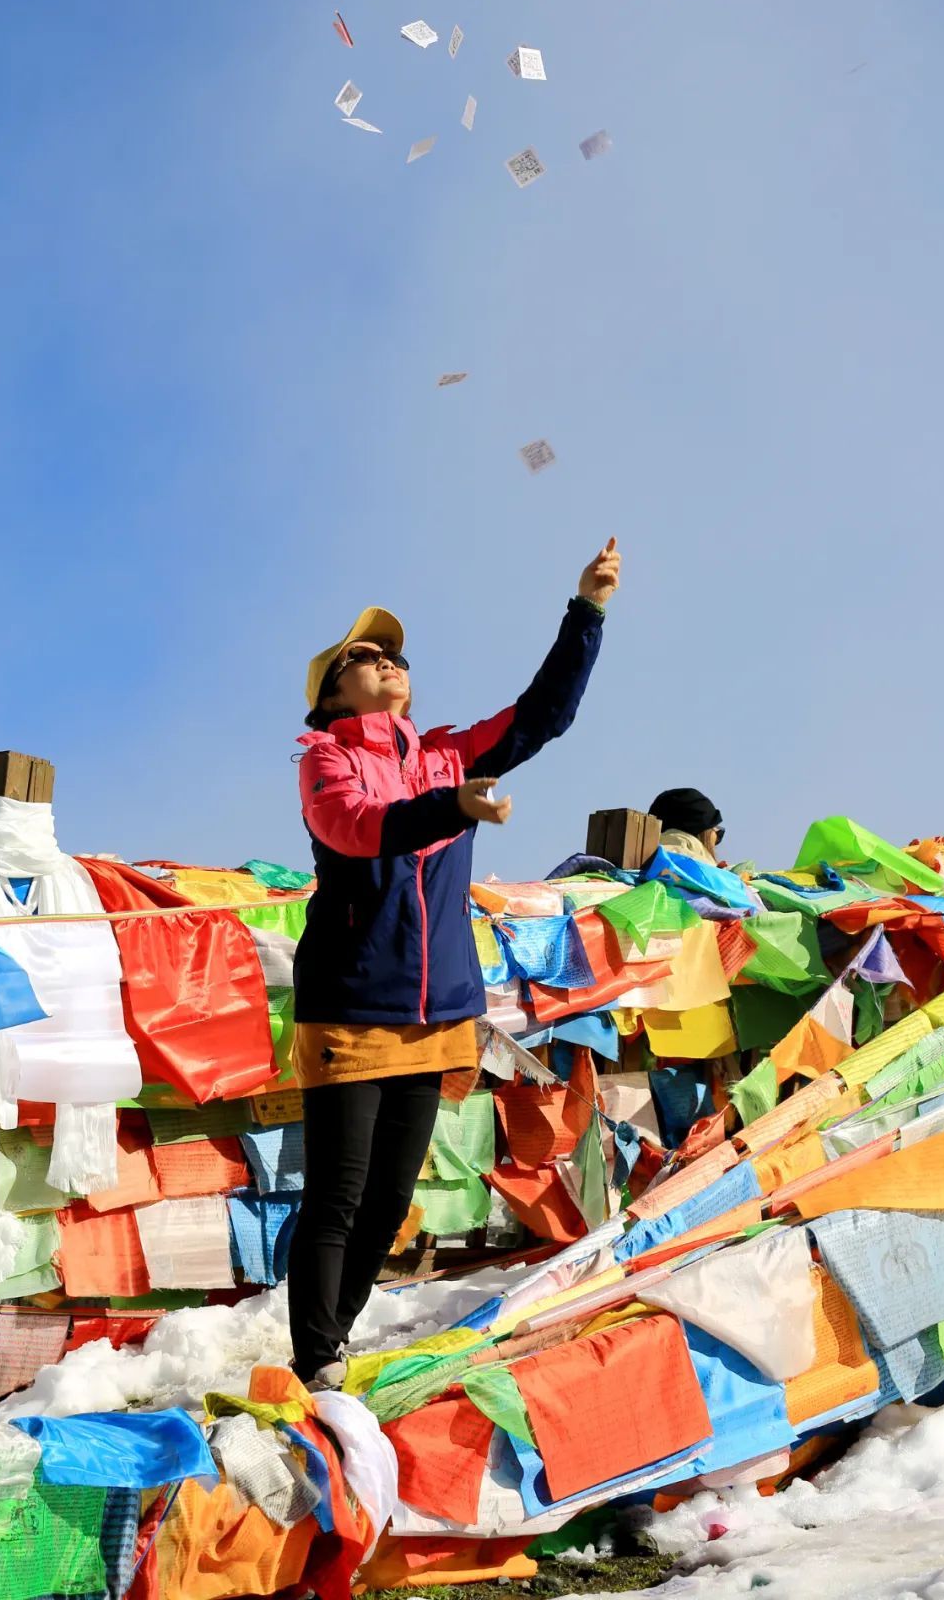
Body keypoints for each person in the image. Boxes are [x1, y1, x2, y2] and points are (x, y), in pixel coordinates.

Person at [286, 538, 621, 1389]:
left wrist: (587, 612)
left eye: (395, 654)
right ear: (330, 696)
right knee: (336, 1196)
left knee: (390, 1204)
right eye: (365, 656)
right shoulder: (325, 760)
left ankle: (333, 1340)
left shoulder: (446, 753)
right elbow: (358, 828)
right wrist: (450, 805)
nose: (388, 662)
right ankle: (316, 1360)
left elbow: (540, 716)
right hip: (354, 1002)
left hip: (440, 1014)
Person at [650, 786, 724, 863]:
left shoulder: (646, 859)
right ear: (702, 832)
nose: (715, 844)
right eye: (718, 834)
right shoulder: (702, 866)